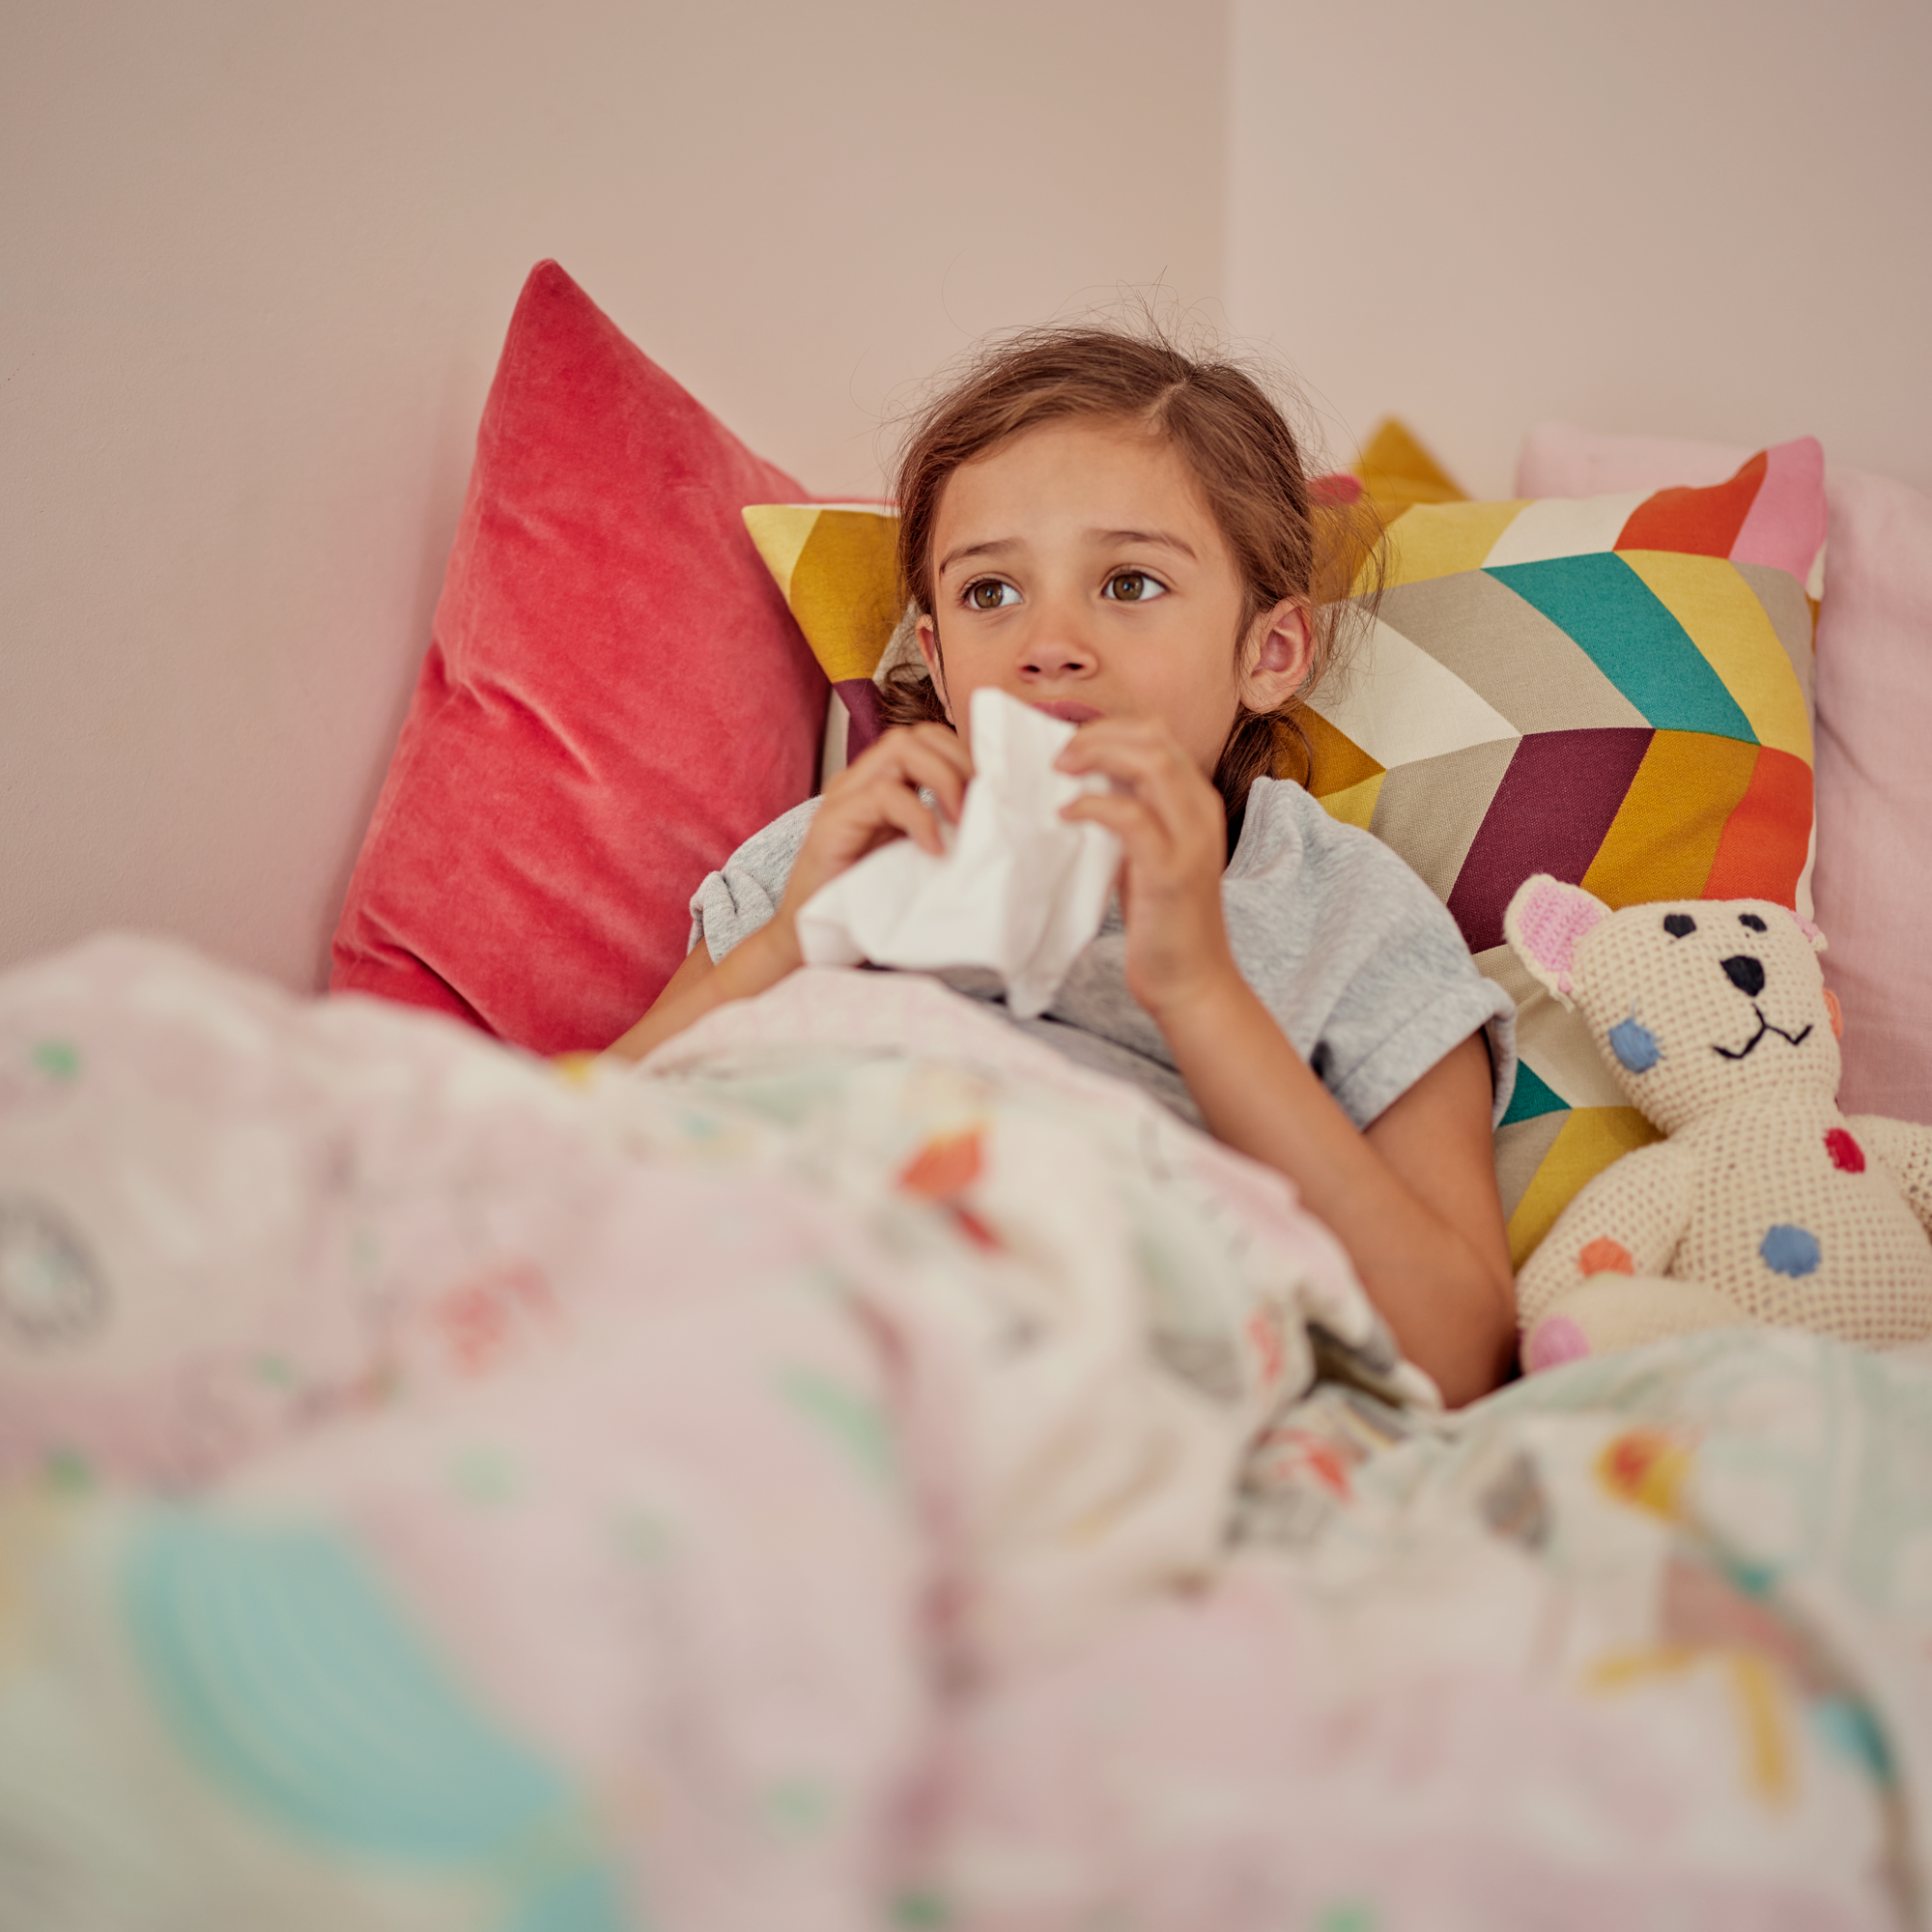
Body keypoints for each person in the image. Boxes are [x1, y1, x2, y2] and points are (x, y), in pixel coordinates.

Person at [610, 327, 1519, 1406]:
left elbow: (1459, 1356)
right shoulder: (840, 848)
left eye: (1128, 582)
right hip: (762, 1278)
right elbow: (569, 1134)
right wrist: (786, 944)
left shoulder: (1345, 911)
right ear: (938, 660)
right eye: (990, 593)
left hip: (1070, 1358)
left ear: (1268, 653)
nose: (1048, 642)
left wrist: (1200, 995)